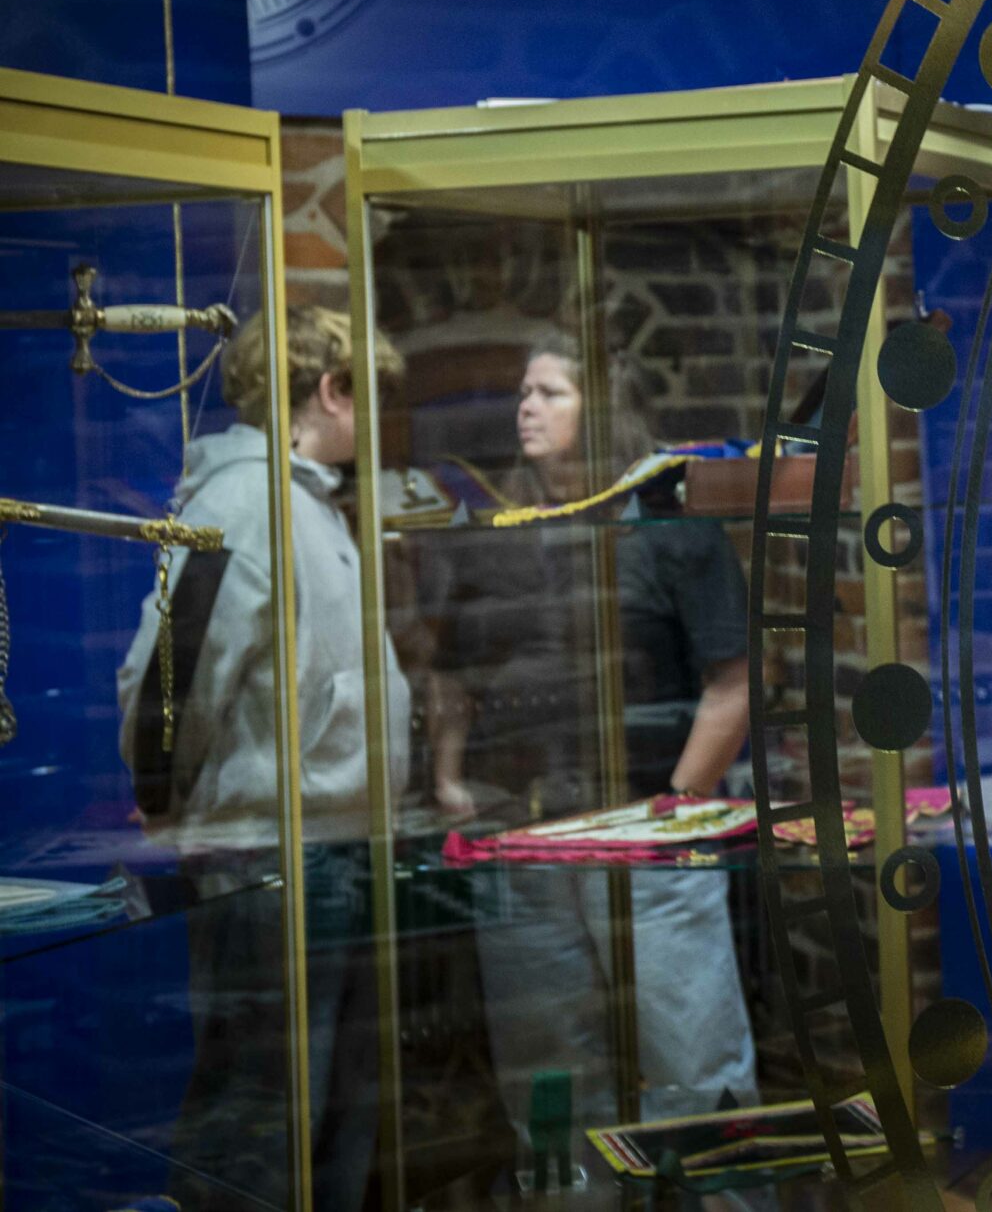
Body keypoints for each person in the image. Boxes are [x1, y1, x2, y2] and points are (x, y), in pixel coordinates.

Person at [429, 332, 758, 1144]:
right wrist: (450, 780)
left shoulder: (669, 523)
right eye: (524, 392)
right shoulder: (497, 527)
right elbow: (453, 673)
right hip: (522, 836)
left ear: (600, 408)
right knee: (549, 1086)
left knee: (695, 1071)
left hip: (648, 841)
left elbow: (736, 680)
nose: (527, 407)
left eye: (551, 392)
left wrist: (675, 807)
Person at [117, 305, 411, 1211]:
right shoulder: (247, 500)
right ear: (331, 389)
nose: (382, 418)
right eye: (372, 394)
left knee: (330, 1114)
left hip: (327, 845)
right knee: (262, 1112)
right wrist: (164, 799)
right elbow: (173, 674)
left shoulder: (301, 498)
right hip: (273, 856)